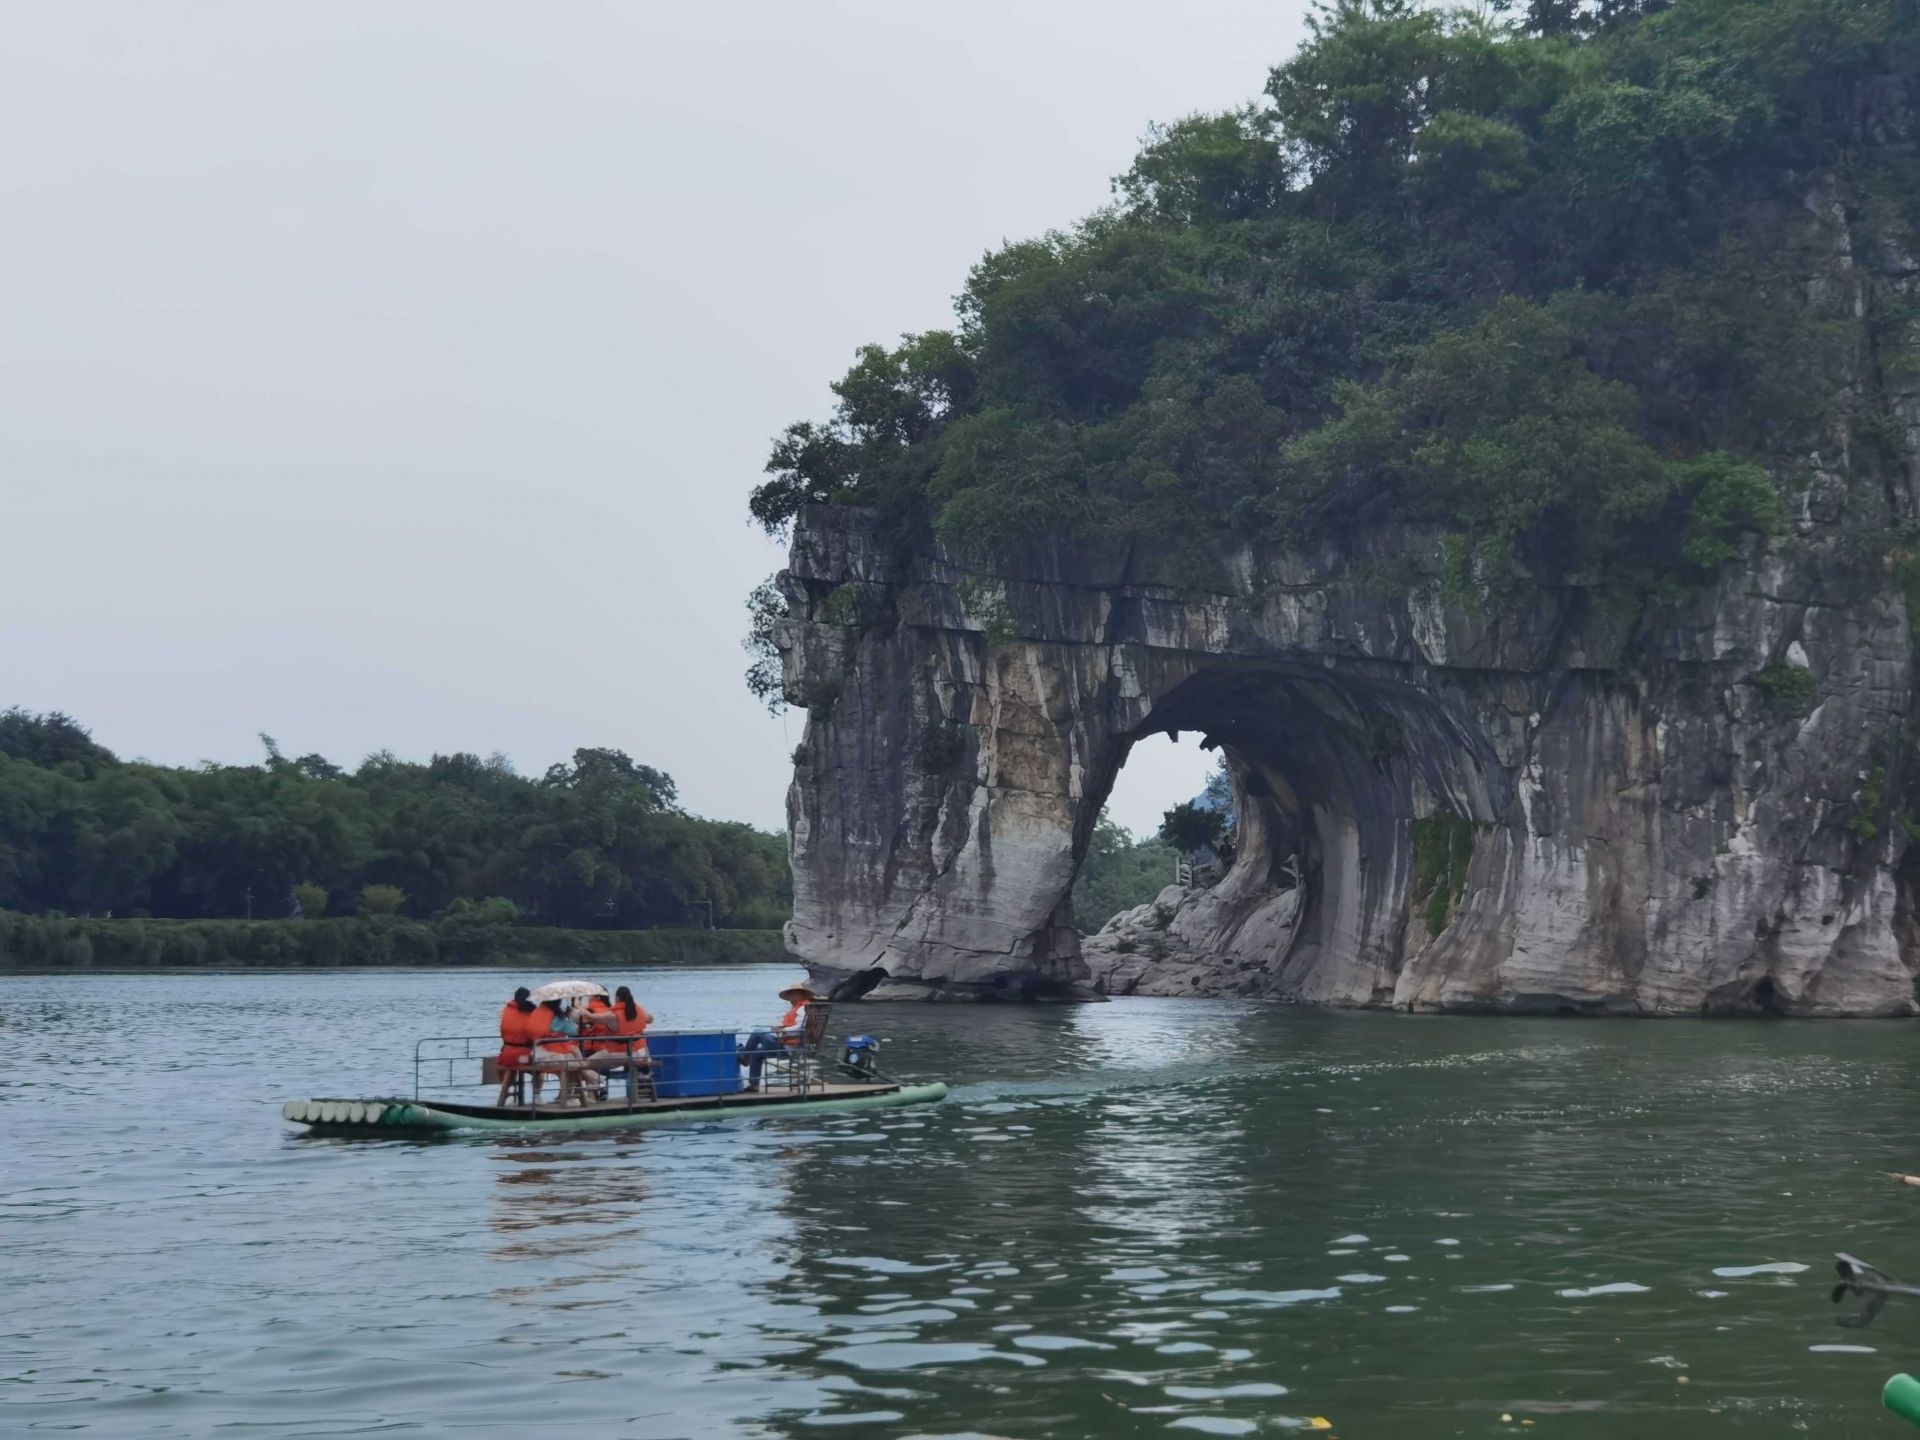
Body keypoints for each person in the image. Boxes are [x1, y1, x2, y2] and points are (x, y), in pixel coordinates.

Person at [740, 984, 818, 1092]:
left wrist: (782, 1030)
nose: (790, 997)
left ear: (801, 995)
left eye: (793, 994)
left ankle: (745, 1057)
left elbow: (801, 1028)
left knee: (758, 1032)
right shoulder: (798, 1008)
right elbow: (794, 1026)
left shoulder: (803, 1008)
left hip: (790, 1047)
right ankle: (754, 1085)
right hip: (787, 1044)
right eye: (790, 994)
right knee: (756, 1053)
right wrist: (779, 1028)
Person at [586, 986, 653, 1082]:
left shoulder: (612, 1015)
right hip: (639, 1054)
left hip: (616, 1054)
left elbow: (590, 1017)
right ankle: (644, 1075)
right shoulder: (639, 1011)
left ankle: (599, 1082)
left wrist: (577, 1006)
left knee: (582, 1064)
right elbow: (651, 1019)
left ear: (617, 998)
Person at [530, 997, 586, 1105]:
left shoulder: (536, 1013)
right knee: (573, 1064)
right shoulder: (557, 1017)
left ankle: (565, 1096)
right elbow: (572, 1031)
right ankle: (569, 1097)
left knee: (572, 1058)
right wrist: (569, 1017)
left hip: (535, 1053)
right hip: (551, 1054)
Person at [495, 987, 537, 1105]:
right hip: (525, 1056)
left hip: (506, 1055)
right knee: (540, 1070)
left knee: (510, 1068)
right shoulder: (532, 1011)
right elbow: (534, 1034)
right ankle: (537, 1095)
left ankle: (503, 1096)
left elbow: (502, 1032)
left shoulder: (506, 1009)